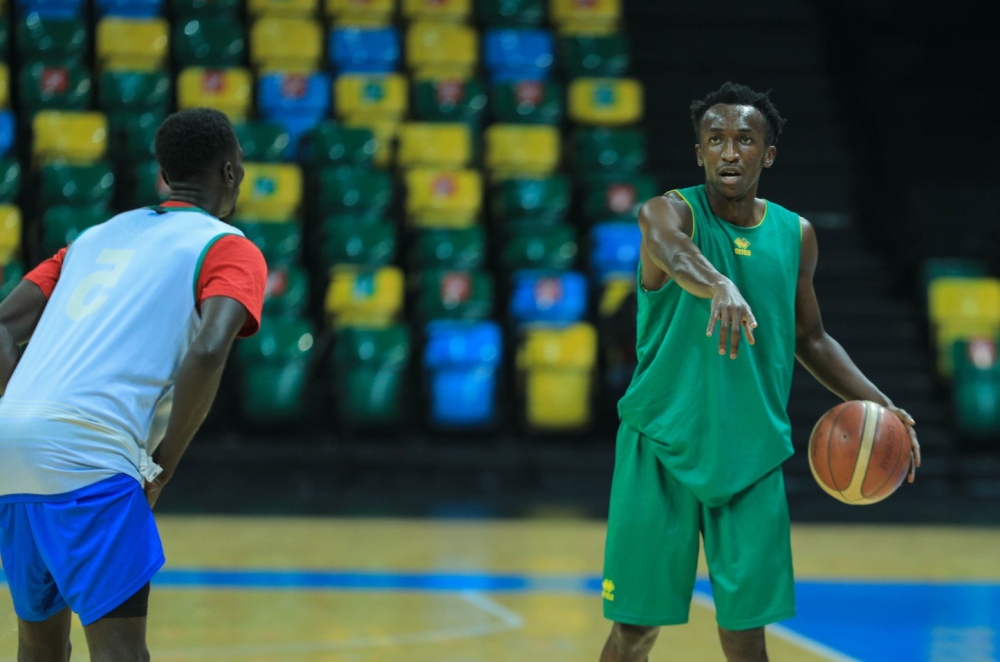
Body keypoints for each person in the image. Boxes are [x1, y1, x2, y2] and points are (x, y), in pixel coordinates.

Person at [598, 82, 922, 662]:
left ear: (766, 154)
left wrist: (885, 405)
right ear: (698, 152)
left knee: (746, 635)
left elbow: (811, 338)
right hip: (661, 445)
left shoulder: (796, 235)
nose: (729, 152)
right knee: (635, 629)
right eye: (715, 139)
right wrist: (718, 283)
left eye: (744, 140)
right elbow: (672, 251)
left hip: (750, 454)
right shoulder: (666, 213)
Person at [0, 107, 268, 661]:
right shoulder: (228, 247)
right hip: (90, 451)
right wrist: (162, 463)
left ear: (164, 175)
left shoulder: (95, 237)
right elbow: (211, 347)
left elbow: (3, 323)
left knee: (40, 649)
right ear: (230, 174)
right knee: (122, 654)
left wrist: (18, 416)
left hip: (9, 448)